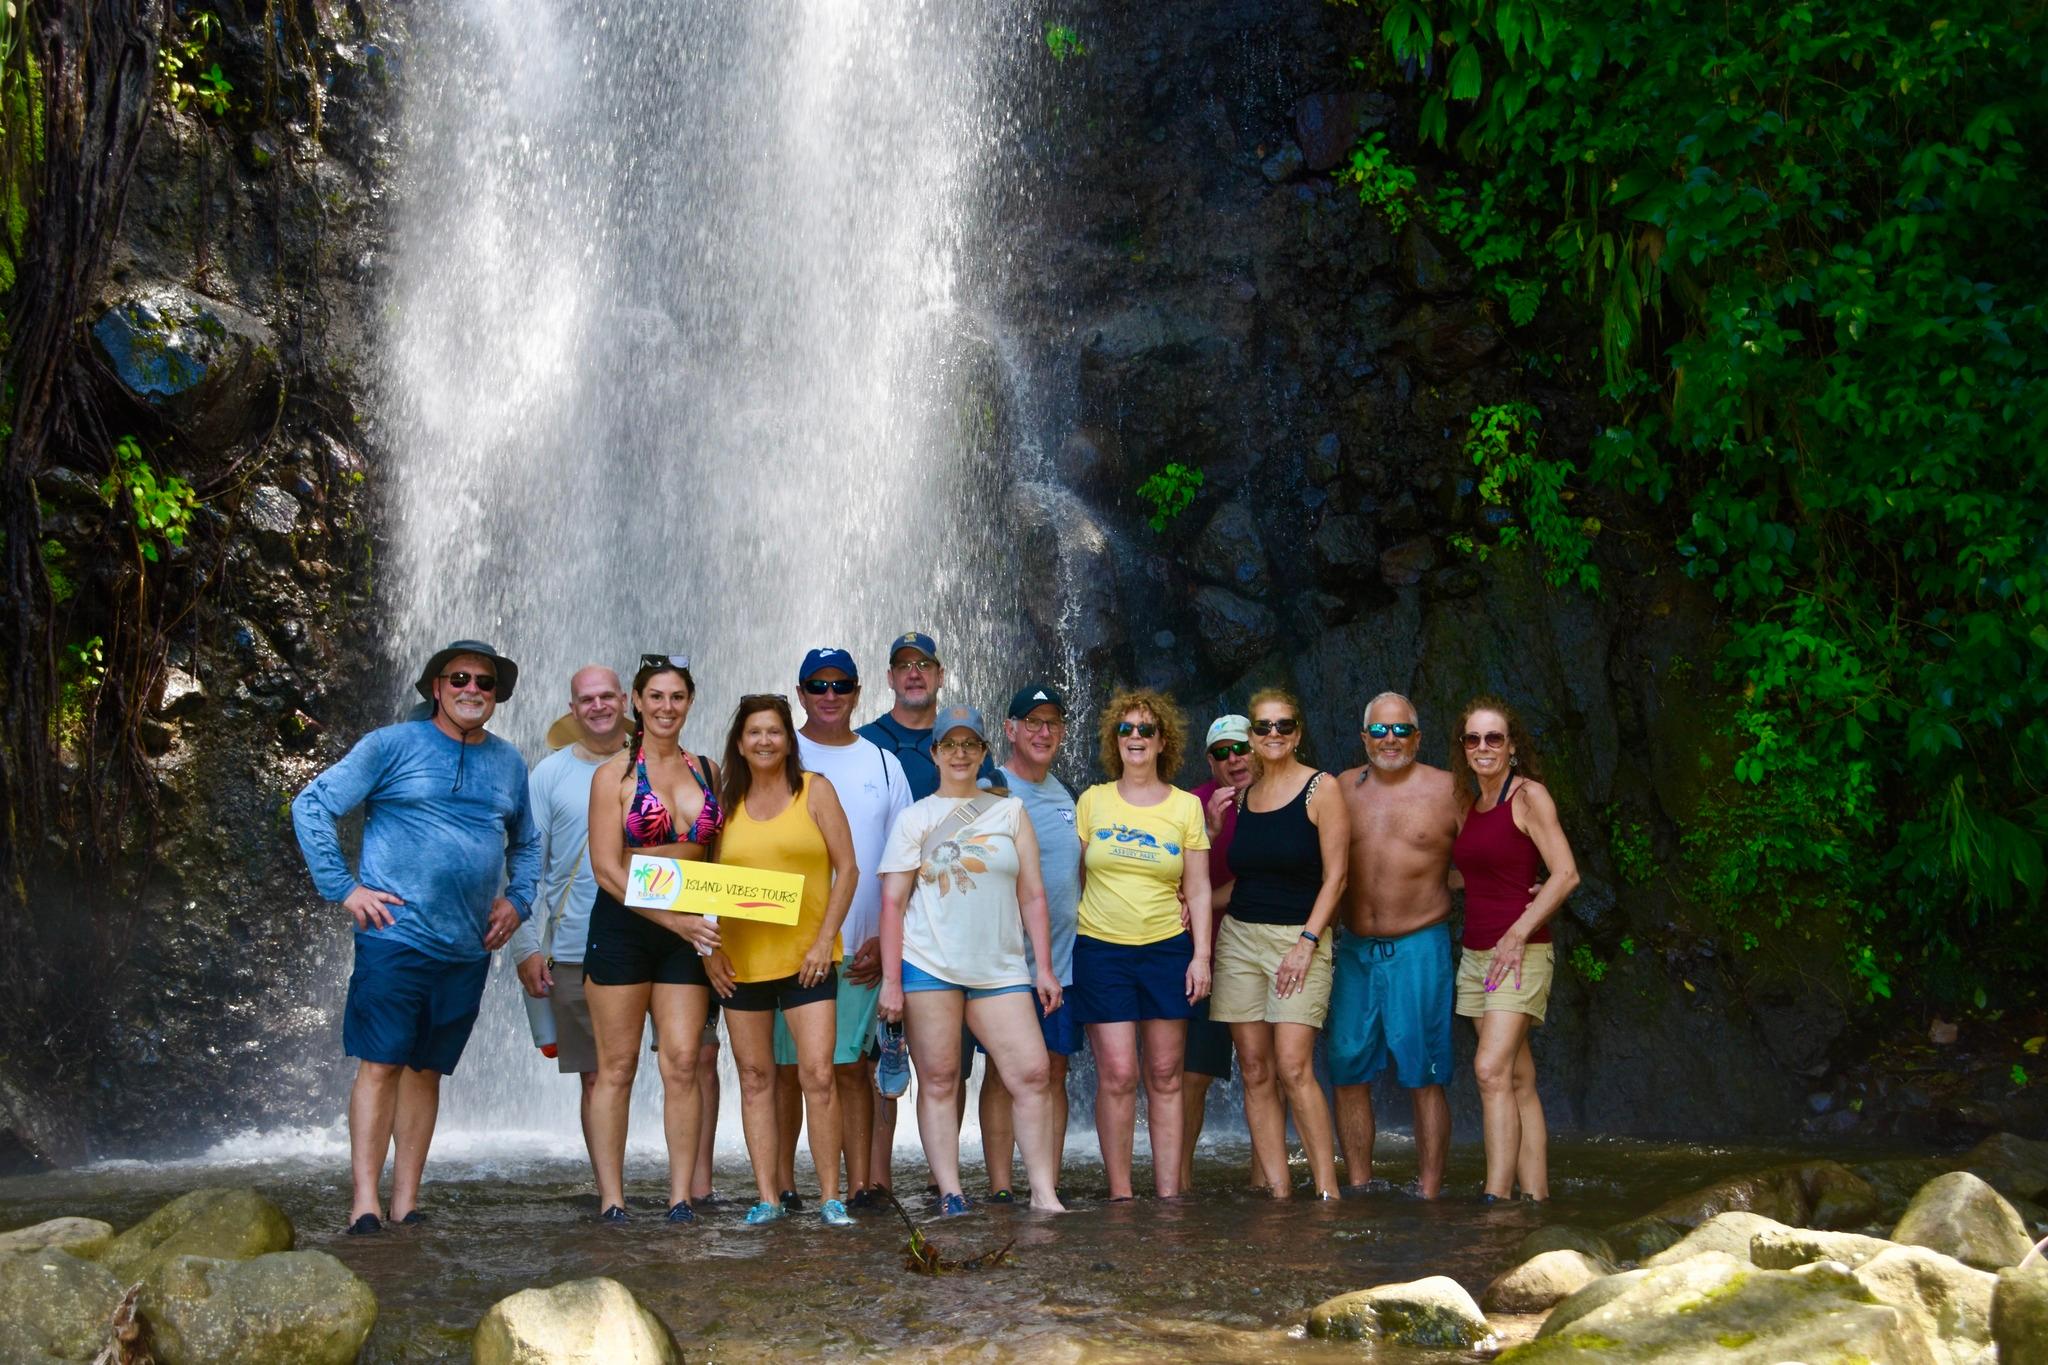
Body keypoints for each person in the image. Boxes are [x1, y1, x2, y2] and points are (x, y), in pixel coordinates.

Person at [292, 639, 539, 1235]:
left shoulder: (508, 763)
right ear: (436, 687)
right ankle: (364, 1203)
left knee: (426, 1070)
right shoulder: (391, 745)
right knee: (382, 1063)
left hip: (466, 945)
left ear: (496, 695)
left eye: (484, 682)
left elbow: (527, 845)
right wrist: (345, 889)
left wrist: (519, 900)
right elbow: (313, 805)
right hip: (395, 936)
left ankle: (405, 1200)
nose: (472, 689)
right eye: (459, 678)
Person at [877, 703, 1066, 1214]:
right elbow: (892, 903)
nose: (960, 754)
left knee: (1031, 1074)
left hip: (1000, 967)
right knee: (939, 1078)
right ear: (935, 752)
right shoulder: (914, 818)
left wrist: (1043, 967)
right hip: (929, 964)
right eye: (950, 745)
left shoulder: (1010, 812)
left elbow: (1033, 896)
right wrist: (891, 981)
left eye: (970, 745)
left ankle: (1044, 1193)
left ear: (984, 752)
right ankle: (951, 1191)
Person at [706, 694, 861, 1227]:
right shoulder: (723, 804)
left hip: (807, 962)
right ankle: (768, 1197)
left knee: (818, 1075)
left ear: (788, 740)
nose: (765, 741)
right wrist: (709, 954)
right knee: (754, 1077)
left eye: (774, 731)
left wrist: (824, 941)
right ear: (740, 743)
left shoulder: (814, 791)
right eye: (755, 733)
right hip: (741, 962)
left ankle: (830, 1197)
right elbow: (701, 887)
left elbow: (849, 869)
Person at [581, 656, 724, 1224]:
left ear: (689, 703)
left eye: (678, 697)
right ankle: (613, 1197)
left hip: (690, 928)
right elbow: (606, 870)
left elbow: (720, 861)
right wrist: (676, 922)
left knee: (684, 1061)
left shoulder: (709, 771)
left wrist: (711, 925)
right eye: (657, 697)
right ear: (636, 702)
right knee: (616, 1066)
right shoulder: (612, 776)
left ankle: (680, 1195)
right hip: (625, 928)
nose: (667, 707)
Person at [768, 648, 910, 1212]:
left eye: (841, 685)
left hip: (861, 949)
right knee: (785, 1070)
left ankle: (857, 1185)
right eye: (817, 685)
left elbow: (904, 858)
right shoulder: (776, 752)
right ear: (799, 693)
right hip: (784, 945)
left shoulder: (882, 763)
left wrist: (886, 939)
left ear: (856, 693)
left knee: (851, 1068)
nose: (830, 696)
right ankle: (781, 1184)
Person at [855, 629, 991, 1188]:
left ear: (939, 675)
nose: (914, 673)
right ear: (889, 677)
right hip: (877, 929)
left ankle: (943, 1176)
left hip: (948, 937)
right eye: (903, 665)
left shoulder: (969, 755)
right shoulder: (864, 746)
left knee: (948, 1065)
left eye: (925, 664)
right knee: (876, 1062)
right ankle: (876, 1181)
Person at [1070, 688, 1211, 1200]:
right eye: (1126, 729)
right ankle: (1122, 1195)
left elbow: (1196, 887)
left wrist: (1201, 956)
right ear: (1115, 739)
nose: (1135, 737)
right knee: (1119, 1073)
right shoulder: (1092, 800)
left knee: (1167, 1074)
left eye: (1145, 729)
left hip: (1166, 949)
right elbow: (1076, 879)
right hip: (1102, 949)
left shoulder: (1186, 807)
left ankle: (1170, 1195)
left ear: (1162, 740)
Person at [1210, 689, 1348, 1199]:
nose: (1273, 735)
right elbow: (1247, 881)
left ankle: (1327, 1192)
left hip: (1298, 937)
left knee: (1293, 1066)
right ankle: (1279, 1191)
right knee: (1254, 1069)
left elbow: (1336, 879)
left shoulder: (1322, 789)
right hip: (1240, 938)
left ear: (1298, 732)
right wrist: (1195, 901)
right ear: (1250, 736)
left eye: (1283, 726)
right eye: (1263, 727)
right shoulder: (1244, 799)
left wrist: (1308, 942)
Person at [1450, 695, 1579, 1203]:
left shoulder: (1528, 797)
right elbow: (1476, 874)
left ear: (1513, 746)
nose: (1483, 747)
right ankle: (1537, 1198)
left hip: (1519, 953)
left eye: (1494, 738)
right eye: (1473, 739)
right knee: (1518, 1077)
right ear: (1463, 748)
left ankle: (1496, 1200)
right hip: (1478, 953)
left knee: (1489, 1070)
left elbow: (1565, 873)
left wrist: (1519, 931)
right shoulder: (1471, 802)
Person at [1331, 692, 1460, 1198]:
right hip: (1354, 949)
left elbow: (1486, 853)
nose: (1390, 740)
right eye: (1379, 731)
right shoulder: (1341, 789)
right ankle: (1360, 1184)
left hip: (1419, 945)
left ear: (1418, 737)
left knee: (1425, 1072)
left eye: (1401, 730)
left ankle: (1429, 1191)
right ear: (1364, 737)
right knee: (1346, 1068)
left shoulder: (1450, 791)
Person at [509, 666, 628, 1193]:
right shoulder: (549, 775)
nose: (598, 706)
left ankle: (690, 1191)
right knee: (597, 1074)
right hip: (578, 945)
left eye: (607, 696)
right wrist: (525, 946)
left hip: (669, 940)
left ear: (625, 700)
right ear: (572, 708)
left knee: (687, 1063)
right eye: (587, 699)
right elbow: (525, 865)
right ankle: (611, 1195)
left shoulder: (666, 764)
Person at [979, 683, 1081, 1202]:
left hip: (1060, 962)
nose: (1043, 732)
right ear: (1010, 729)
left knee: (1055, 1070)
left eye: (1053, 724)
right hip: (1005, 966)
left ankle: (1048, 1183)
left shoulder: (1066, 794)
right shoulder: (991, 787)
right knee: (1004, 1070)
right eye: (1032, 722)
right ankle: (1000, 1186)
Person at [1182, 713, 1250, 1189]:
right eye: (1223, 752)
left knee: (1265, 1067)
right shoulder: (1191, 805)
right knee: (1194, 1073)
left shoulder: (1285, 798)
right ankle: (1178, 1181)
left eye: (1242, 747)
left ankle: (1266, 1180)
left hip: (1264, 949)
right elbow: (1178, 884)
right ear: (1210, 761)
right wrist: (1208, 828)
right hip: (1203, 953)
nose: (1235, 759)